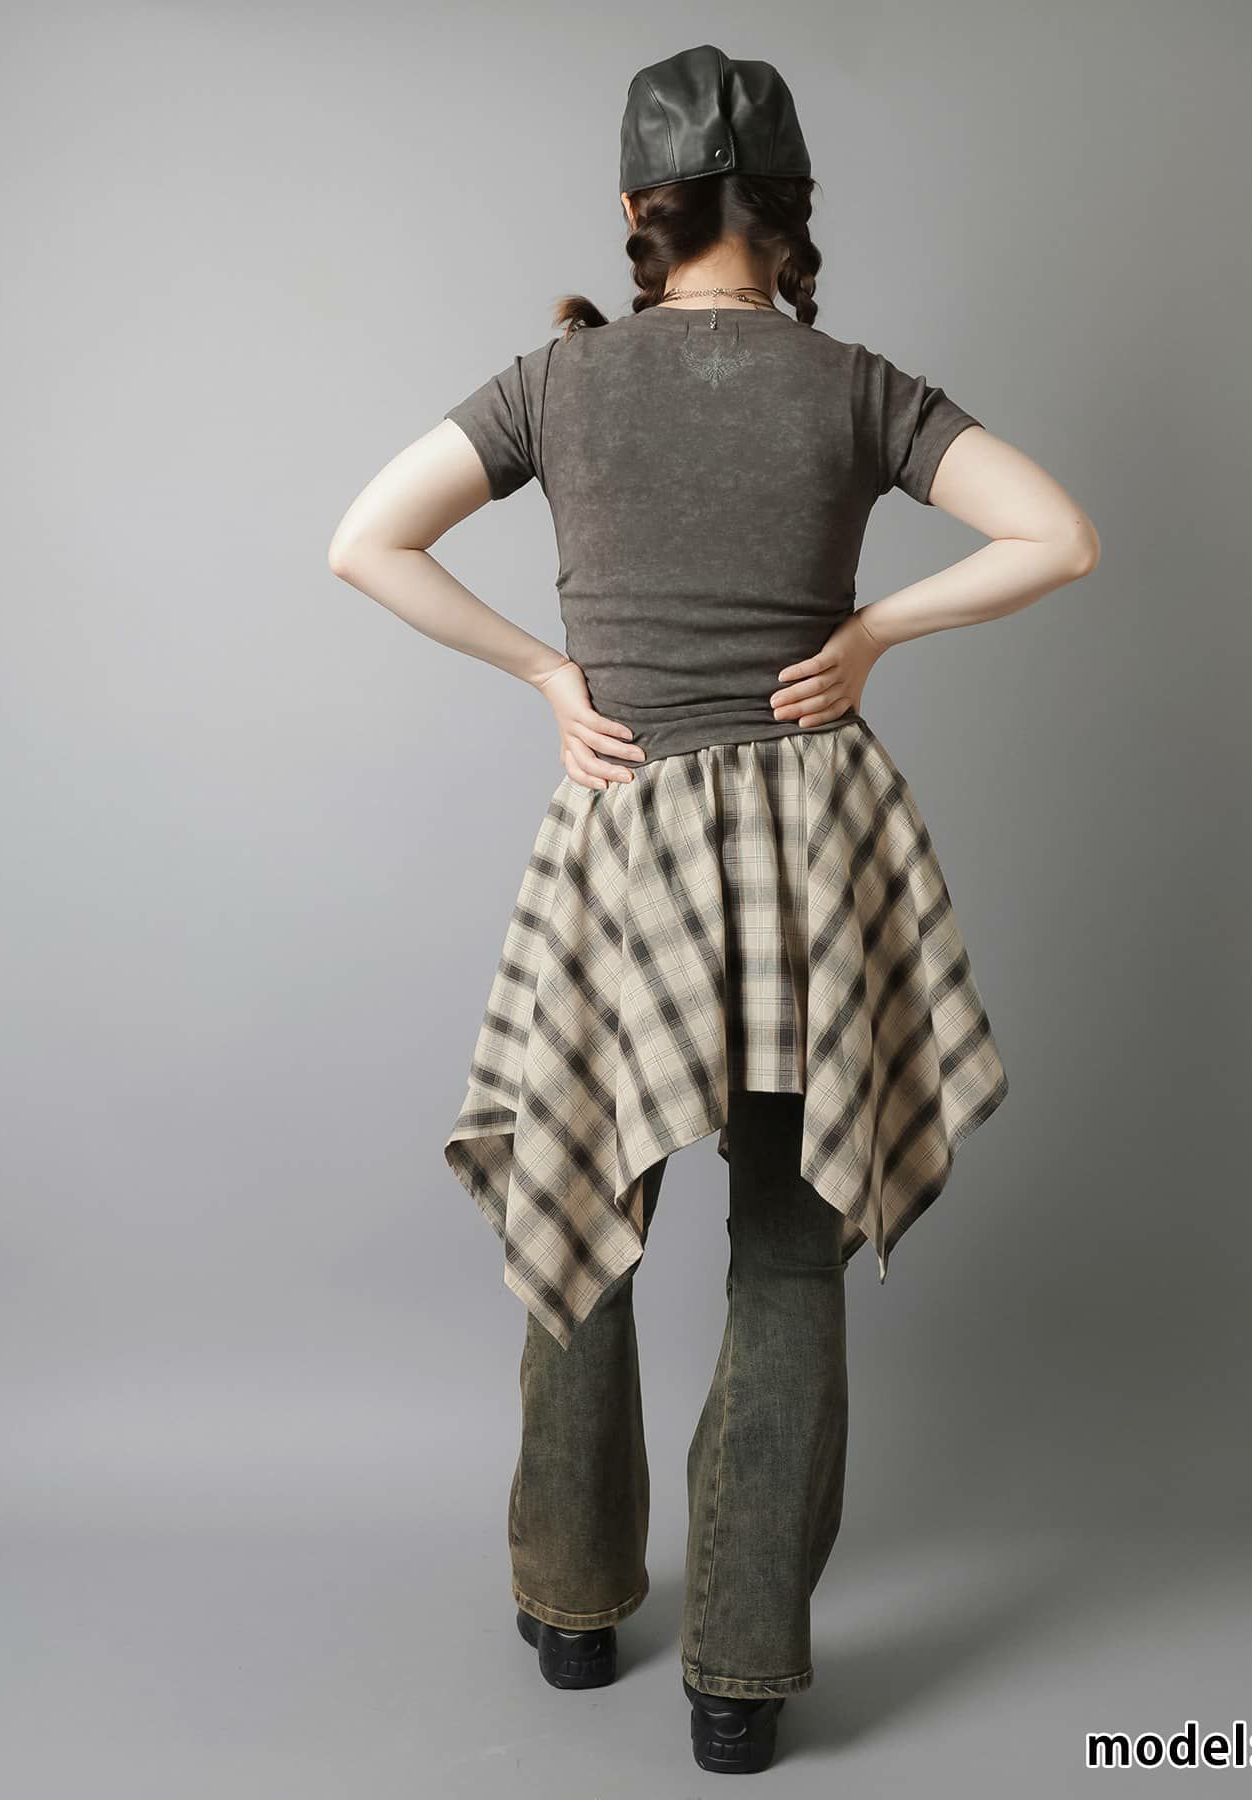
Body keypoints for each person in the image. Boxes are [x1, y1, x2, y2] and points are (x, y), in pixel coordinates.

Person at [327, 42, 1100, 1776]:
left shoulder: (556, 384)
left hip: (624, 842)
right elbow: (1057, 535)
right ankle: (741, 1678)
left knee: (579, 1190)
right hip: (813, 845)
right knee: (789, 1242)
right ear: (793, 209)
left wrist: (549, 675)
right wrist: (875, 631)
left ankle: (572, 1606)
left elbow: (364, 541)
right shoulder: (854, 388)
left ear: (638, 209)